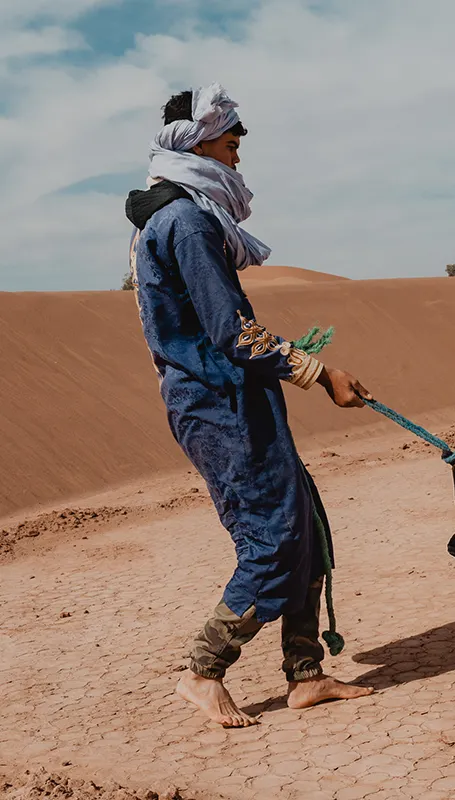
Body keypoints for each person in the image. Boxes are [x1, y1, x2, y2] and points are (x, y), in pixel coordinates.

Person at [124, 84, 373, 727]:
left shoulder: (189, 219)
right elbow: (235, 333)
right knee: (270, 540)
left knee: (305, 533)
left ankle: (306, 674)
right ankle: (204, 672)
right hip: (216, 404)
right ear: (199, 144)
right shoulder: (183, 223)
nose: (237, 158)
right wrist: (320, 373)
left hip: (239, 398)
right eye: (231, 145)